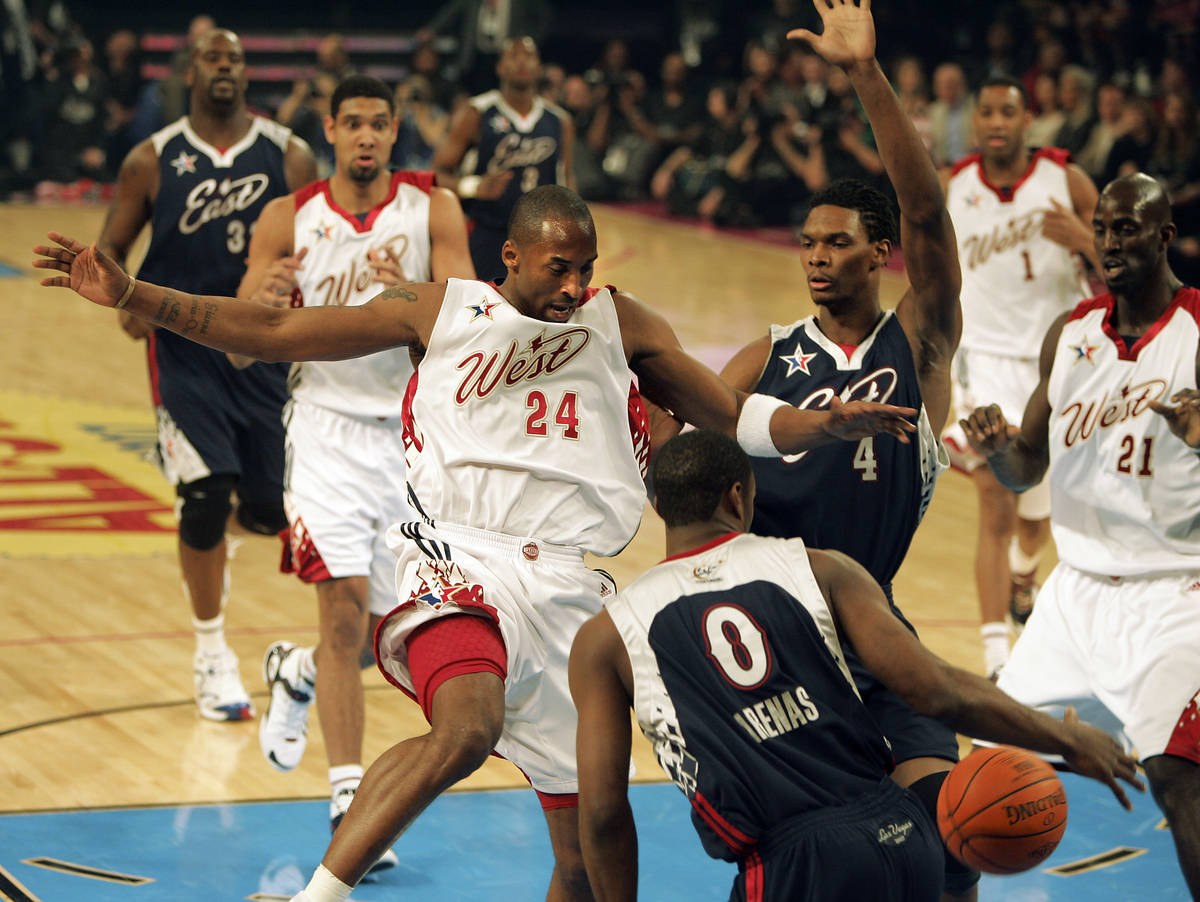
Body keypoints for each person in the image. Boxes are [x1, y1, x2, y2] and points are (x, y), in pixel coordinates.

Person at [36, 183, 919, 902]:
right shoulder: (439, 311)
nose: (575, 286)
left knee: (585, 851)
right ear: (512, 258)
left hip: (574, 590)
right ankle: (315, 899)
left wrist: (824, 426)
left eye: (586, 267)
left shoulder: (622, 323)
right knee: (467, 726)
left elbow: (737, 417)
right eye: (557, 267)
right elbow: (270, 333)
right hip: (456, 557)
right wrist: (135, 295)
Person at [571, 428, 1142, 902]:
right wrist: (1062, 739)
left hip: (796, 865)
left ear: (659, 506)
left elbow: (601, 813)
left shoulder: (607, 634)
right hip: (904, 836)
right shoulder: (819, 567)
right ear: (740, 496)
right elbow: (938, 690)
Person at [717, 3, 970, 897]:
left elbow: (932, 213)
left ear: (882, 253)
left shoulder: (917, 342)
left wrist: (865, 74)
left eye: (838, 242)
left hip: (877, 625)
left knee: (957, 837)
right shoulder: (765, 359)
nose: (817, 258)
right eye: (808, 244)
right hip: (778, 646)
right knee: (809, 860)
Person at [236, 74, 474, 871]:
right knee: (341, 615)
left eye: (380, 123)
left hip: (409, 440)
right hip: (325, 431)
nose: (367, 136)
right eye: (354, 124)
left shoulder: (432, 206)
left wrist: (404, 293)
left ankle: (295, 674)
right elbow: (243, 339)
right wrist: (263, 293)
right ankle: (347, 799)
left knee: (385, 635)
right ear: (331, 130)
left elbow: (467, 316)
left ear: (397, 126)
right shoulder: (286, 217)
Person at [961, 172, 1200, 899]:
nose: (1110, 241)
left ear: (1164, 237)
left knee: (1175, 775)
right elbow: (1026, 467)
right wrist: (1000, 445)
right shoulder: (1071, 336)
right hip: (1073, 597)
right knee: (980, 779)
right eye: (1103, 228)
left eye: (1128, 228)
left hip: (1175, 593)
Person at [95, 27, 316, 721]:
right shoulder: (151, 160)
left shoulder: (289, 154)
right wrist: (123, 299)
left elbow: (323, 239)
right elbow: (107, 252)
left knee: (267, 512)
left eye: (235, 58)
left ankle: (218, 538)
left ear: (247, 73)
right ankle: (211, 651)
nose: (225, 67)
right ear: (190, 72)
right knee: (203, 496)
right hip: (183, 350)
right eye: (212, 58)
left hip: (263, 353)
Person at [940, 75, 1098, 678]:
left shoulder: (1068, 181)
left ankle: (1025, 571)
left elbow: (1119, 261)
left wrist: (1084, 238)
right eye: (987, 111)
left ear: (1028, 119)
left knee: (1038, 515)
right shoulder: (956, 187)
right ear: (976, 120)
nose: (997, 121)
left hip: (1059, 363)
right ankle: (998, 660)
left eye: (1008, 111)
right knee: (994, 496)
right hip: (982, 362)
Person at [432, 35, 574, 283]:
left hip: (541, 238)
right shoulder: (477, 112)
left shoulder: (559, 120)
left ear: (539, 67)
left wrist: (571, 223)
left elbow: (568, 178)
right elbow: (437, 174)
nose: (521, 62)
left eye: (528, 56)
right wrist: (475, 186)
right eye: (513, 56)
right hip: (488, 232)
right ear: (499, 66)